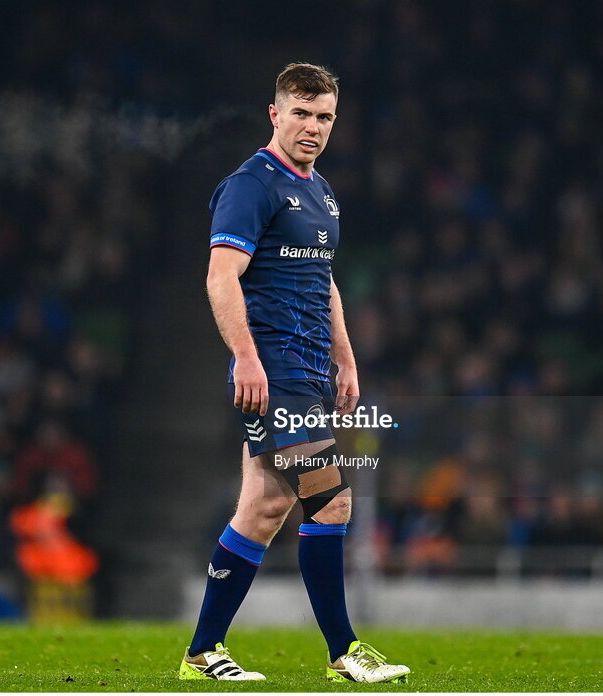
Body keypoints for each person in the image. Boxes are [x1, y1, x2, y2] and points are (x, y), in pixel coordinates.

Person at [178, 63, 410, 683]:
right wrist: (248, 360)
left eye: (325, 117)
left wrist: (346, 356)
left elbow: (322, 280)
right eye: (301, 114)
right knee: (332, 502)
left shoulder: (322, 193)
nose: (313, 127)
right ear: (275, 113)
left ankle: (202, 652)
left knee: (263, 508)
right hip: (274, 367)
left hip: (309, 368)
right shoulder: (251, 185)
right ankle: (345, 651)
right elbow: (220, 275)